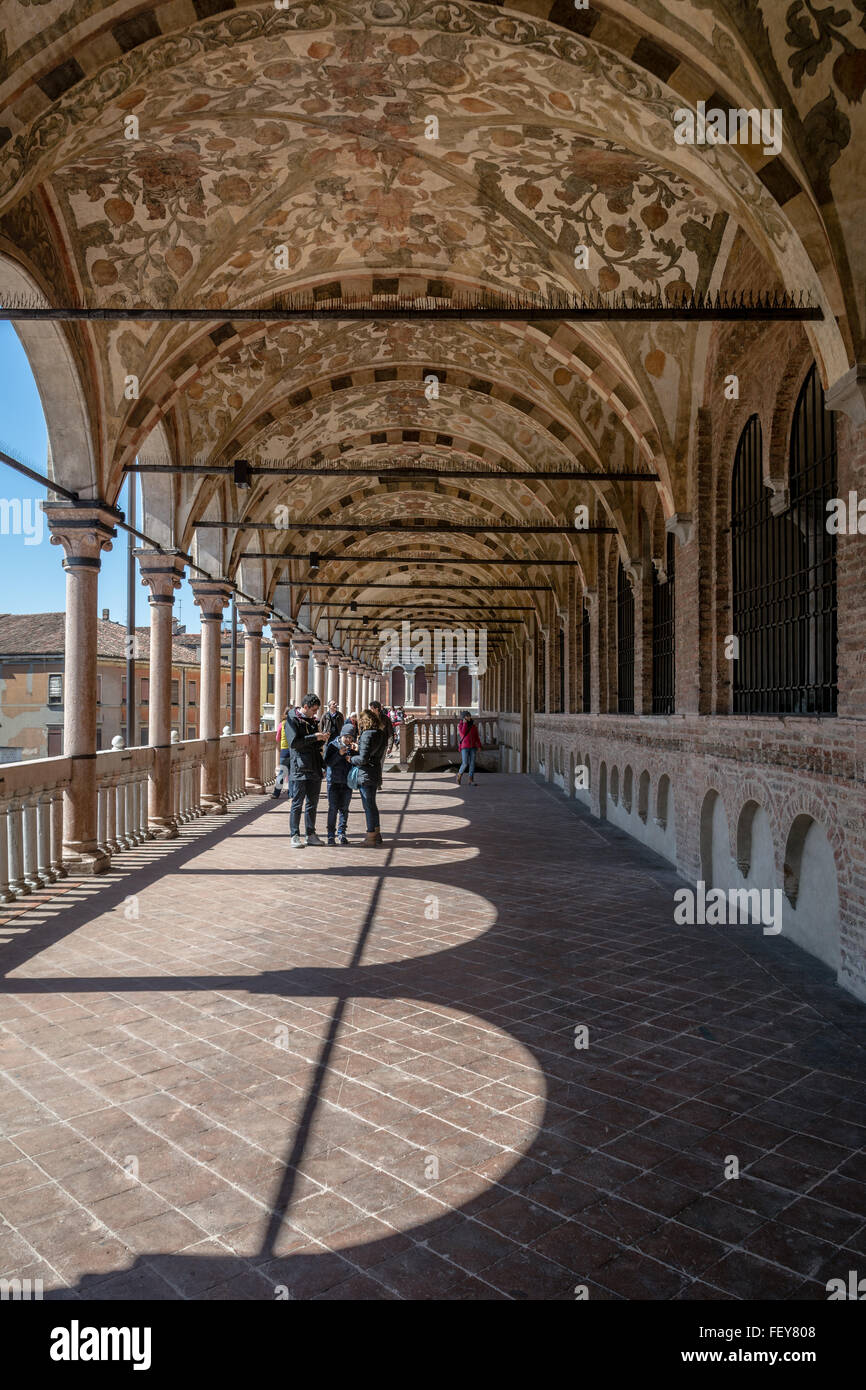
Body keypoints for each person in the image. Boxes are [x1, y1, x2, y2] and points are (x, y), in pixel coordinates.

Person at [285, 693, 329, 847]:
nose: (315, 713)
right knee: (297, 803)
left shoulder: (312, 721)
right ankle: (294, 835)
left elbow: (313, 747)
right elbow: (294, 743)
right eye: (314, 710)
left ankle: (310, 834)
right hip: (299, 768)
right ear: (305, 707)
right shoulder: (291, 720)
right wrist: (314, 737)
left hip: (314, 767)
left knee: (312, 803)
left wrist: (321, 739)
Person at [350, 709, 387, 846]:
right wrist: (359, 747)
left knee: (368, 805)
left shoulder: (366, 734)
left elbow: (363, 759)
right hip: (376, 771)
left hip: (366, 774)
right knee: (372, 804)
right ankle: (376, 834)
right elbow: (371, 752)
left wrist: (351, 759)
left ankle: (371, 835)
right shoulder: (381, 734)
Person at [324, 720, 356, 845]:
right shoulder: (332, 745)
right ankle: (330, 835)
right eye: (346, 737)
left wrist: (355, 753)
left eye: (350, 737)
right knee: (333, 808)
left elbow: (355, 762)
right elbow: (328, 762)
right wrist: (339, 754)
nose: (348, 739)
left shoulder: (352, 747)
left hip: (347, 782)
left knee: (344, 809)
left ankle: (342, 833)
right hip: (333, 782)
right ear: (341, 735)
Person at [272, 707, 293, 801]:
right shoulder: (294, 724)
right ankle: (291, 793)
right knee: (292, 773)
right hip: (293, 750)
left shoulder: (281, 724)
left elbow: (277, 738)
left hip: (284, 750)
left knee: (282, 772)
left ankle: (276, 793)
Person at [457, 711, 482, 786]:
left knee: (472, 764)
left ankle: (471, 780)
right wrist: (465, 723)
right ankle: (459, 774)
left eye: (469, 716)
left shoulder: (473, 726)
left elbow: (477, 737)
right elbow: (463, 734)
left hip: (473, 747)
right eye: (467, 716)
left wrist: (479, 746)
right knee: (465, 763)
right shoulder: (460, 725)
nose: (469, 717)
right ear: (463, 717)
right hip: (464, 747)